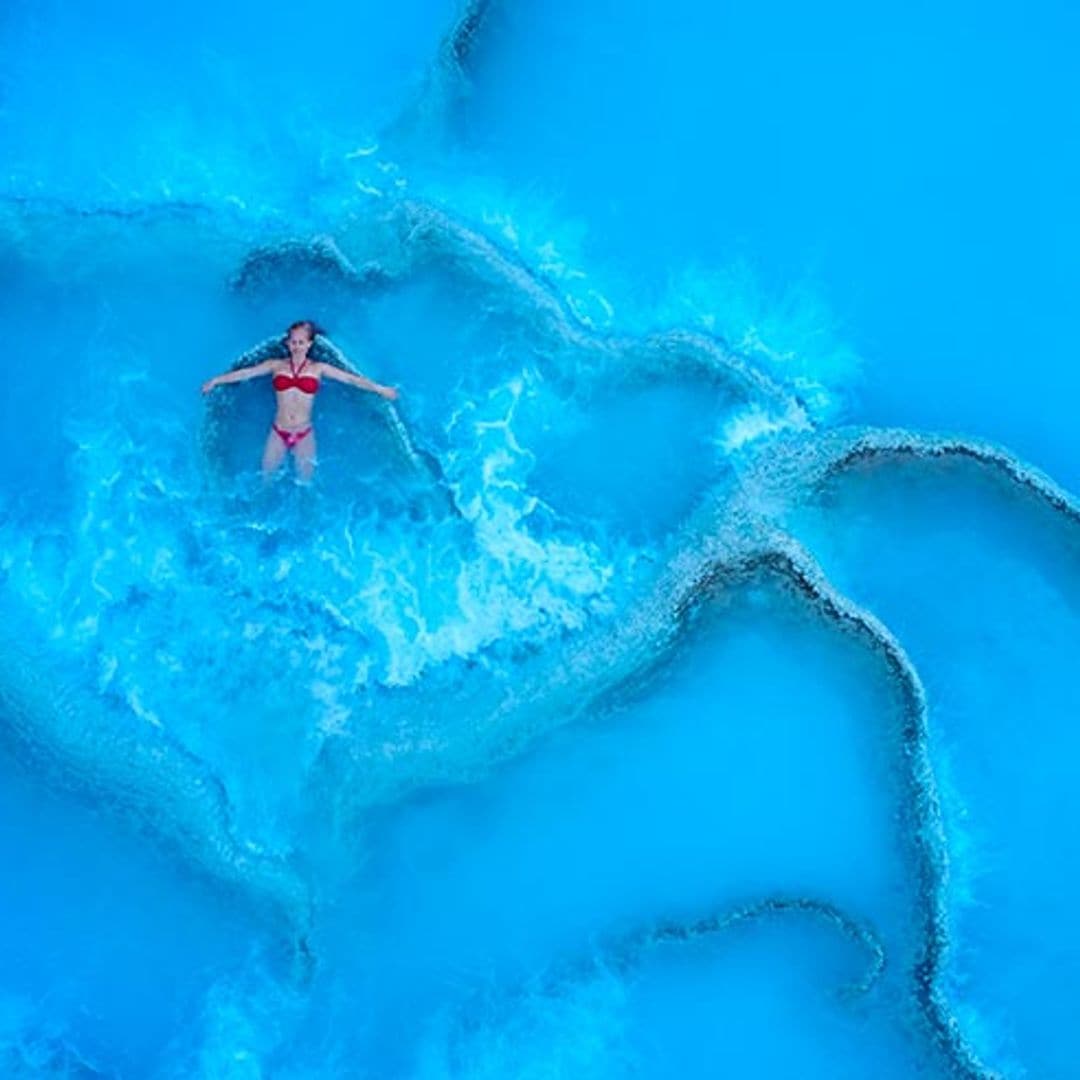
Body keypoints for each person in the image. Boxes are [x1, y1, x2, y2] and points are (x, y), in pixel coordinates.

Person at [201, 320, 398, 480]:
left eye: (301, 343)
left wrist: (380, 389)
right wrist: (216, 380)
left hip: (304, 432)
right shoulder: (276, 365)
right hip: (279, 431)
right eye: (293, 342)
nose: (296, 347)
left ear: (309, 344)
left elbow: (350, 379)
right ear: (287, 343)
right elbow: (246, 373)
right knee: (266, 481)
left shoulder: (319, 368)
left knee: (305, 487)